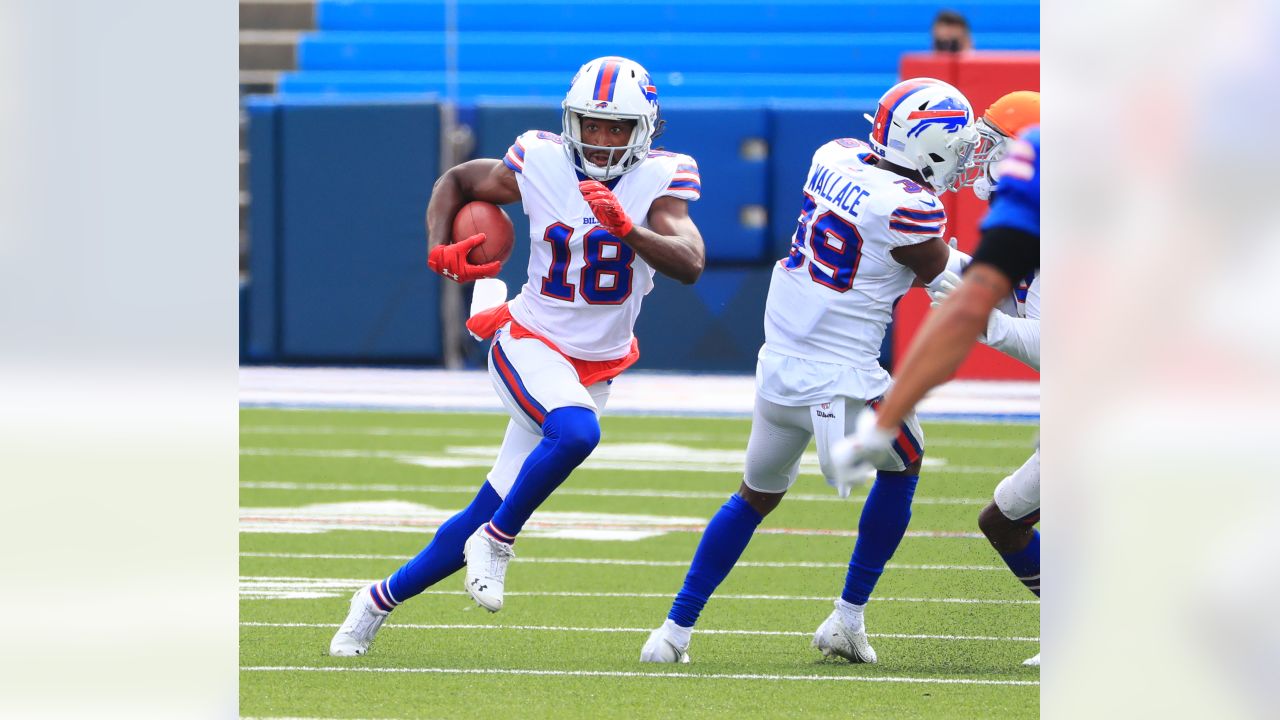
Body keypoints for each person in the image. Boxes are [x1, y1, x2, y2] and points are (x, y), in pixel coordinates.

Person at [329, 56, 706, 656]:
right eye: (590, 124)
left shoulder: (664, 178)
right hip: (528, 341)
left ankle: (374, 601)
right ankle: (499, 541)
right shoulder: (541, 157)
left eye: (616, 128)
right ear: (570, 121)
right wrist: (438, 245)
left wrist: (629, 229)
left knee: (487, 503)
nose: (602, 141)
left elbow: (689, 263)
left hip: (597, 363)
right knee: (577, 433)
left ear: (645, 129)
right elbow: (455, 180)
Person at [640, 78, 979, 664]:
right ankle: (847, 619)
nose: (965, 156)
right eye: (958, 143)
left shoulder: (834, 154)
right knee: (906, 466)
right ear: (927, 144)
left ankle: (672, 633)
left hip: (778, 368)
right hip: (840, 380)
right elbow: (953, 276)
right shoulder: (911, 208)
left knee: (753, 497)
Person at [834, 123, 1041, 664]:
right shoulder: (1029, 213)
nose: (979, 157)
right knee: (1004, 518)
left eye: (996, 148)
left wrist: (983, 319)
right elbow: (974, 300)